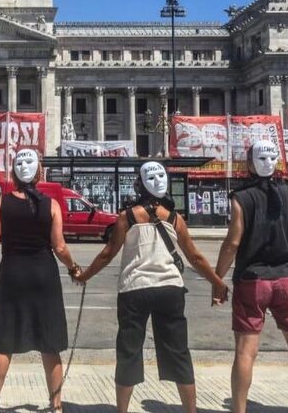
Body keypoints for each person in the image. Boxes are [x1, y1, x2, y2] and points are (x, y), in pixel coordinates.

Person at [75, 161, 229, 413]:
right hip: (169, 288)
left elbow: (107, 254)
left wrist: (84, 276)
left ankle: (122, 410)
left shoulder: (127, 217)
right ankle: (191, 410)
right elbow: (195, 258)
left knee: (129, 351)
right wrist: (218, 283)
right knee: (178, 351)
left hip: (134, 289)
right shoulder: (175, 218)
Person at [214, 140, 288, 413]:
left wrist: (218, 280)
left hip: (252, 281)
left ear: (249, 164)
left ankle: (238, 410)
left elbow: (232, 243)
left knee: (245, 352)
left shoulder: (241, 198)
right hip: (287, 280)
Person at [0, 148, 81, 413]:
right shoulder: (51, 205)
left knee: (3, 342)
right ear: (39, 173)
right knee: (49, 342)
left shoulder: (1, 203)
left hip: (12, 275)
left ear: (14, 173)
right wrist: (75, 269)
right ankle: (56, 405)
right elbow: (60, 247)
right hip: (45, 276)